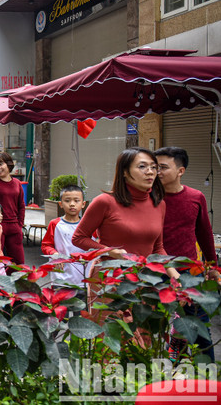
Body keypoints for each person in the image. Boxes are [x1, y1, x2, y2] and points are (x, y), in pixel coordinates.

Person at [72, 147, 180, 279]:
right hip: (110, 277)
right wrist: (111, 252)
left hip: (145, 279)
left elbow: (157, 248)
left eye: (153, 167)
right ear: (125, 172)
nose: (150, 172)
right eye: (142, 166)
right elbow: (78, 238)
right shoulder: (104, 201)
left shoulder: (159, 204)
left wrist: (174, 274)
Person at [155, 146, 216, 361]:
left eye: (163, 167)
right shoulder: (149, 197)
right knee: (153, 325)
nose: (157, 172)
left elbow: (205, 235)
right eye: (155, 167)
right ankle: (171, 368)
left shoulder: (196, 197)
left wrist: (213, 268)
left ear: (181, 171)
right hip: (154, 271)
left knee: (197, 325)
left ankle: (206, 374)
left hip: (190, 273)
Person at [42, 185, 94, 287]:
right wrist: (54, 254)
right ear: (60, 204)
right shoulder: (55, 224)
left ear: (83, 204)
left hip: (84, 280)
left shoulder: (90, 226)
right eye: (67, 201)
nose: (72, 204)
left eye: (76, 200)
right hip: (60, 279)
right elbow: (46, 245)